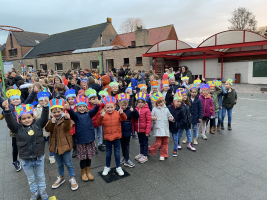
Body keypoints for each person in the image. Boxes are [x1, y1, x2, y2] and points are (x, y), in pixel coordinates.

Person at [3, 98, 50, 200]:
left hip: (38, 158)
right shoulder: (17, 128)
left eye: (29, 117)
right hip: (26, 160)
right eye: (23, 119)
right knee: (31, 178)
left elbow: (44, 118)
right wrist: (6, 110)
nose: (27, 120)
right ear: (19, 120)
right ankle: (34, 193)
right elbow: (10, 123)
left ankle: (42, 191)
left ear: (33, 117)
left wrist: (45, 107)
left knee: (41, 176)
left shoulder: (38, 125)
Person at [0, 85, 38, 171]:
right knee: (15, 146)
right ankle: (15, 161)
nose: (16, 100)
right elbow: (1, 102)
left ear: (20, 100)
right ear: (10, 101)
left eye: (17, 99)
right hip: (14, 131)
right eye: (13, 99)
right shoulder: (8, 107)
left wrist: (34, 92)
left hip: (24, 129)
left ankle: (29, 158)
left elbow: (29, 99)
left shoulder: (23, 106)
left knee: (27, 143)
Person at [64, 95, 100, 182]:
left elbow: (95, 110)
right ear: (77, 107)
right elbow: (72, 113)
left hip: (90, 139)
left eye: (84, 106)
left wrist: (98, 105)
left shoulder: (89, 114)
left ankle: (88, 172)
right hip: (81, 141)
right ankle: (83, 173)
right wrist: (68, 108)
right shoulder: (76, 116)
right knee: (83, 158)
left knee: (89, 157)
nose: (82, 108)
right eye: (80, 106)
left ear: (86, 107)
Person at [45, 99, 78, 191]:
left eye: (59, 111)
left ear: (62, 111)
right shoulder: (51, 120)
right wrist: (52, 122)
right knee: (59, 164)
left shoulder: (66, 118)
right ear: (51, 112)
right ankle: (61, 177)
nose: (57, 114)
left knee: (68, 163)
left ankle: (72, 178)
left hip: (65, 145)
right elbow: (47, 129)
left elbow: (68, 127)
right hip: (55, 146)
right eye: (54, 112)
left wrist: (67, 120)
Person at [97, 96, 127, 176]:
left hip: (116, 137)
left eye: (111, 107)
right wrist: (101, 116)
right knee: (108, 154)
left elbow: (124, 119)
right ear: (105, 107)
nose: (110, 109)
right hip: (107, 138)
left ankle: (118, 167)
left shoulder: (117, 113)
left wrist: (122, 113)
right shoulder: (103, 114)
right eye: (108, 107)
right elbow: (98, 123)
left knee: (117, 153)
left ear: (115, 106)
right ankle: (107, 167)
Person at [116, 93, 139, 167]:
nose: (124, 107)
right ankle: (124, 156)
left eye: (125, 105)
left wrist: (134, 111)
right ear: (119, 104)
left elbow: (136, 116)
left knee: (126, 145)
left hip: (127, 130)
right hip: (120, 130)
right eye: (122, 105)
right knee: (122, 145)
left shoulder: (130, 109)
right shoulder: (117, 110)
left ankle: (127, 159)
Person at [149, 92, 174, 160]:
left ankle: (163, 154)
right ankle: (150, 149)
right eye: (159, 102)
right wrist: (153, 118)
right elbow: (151, 116)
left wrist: (171, 118)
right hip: (158, 128)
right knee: (158, 143)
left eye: (162, 102)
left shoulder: (166, 109)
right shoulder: (154, 109)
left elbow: (169, 115)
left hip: (165, 128)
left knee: (165, 142)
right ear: (156, 103)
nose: (161, 103)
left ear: (164, 101)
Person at [34, 89, 55, 164]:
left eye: (44, 100)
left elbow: (52, 115)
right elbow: (35, 116)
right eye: (41, 101)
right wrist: (44, 118)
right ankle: (42, 156)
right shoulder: (36, 108)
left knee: (51, 144)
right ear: (39, 101)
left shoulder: (50, 107)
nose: (42, 102)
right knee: (41, 145)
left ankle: (51, 156)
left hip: (49, 129)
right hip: (41, 130)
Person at [132, 92, 152, 163]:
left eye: (141, 102)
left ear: (144, 102)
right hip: (138, 130)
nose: (140, 103)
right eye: (138, 102)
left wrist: (147, 131)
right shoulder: (136, 109)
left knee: (145, 142)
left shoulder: (147, 110)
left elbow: (149, 122)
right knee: (140, 142)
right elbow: (134, 120)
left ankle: (145, 155)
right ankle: (141, 153)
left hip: (144, 130)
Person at [86, 88, 105, 153]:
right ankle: (94, 146)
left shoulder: (99, 105)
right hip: (92, 124)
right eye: (93, 99)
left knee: (99, 135)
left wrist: (102, 98)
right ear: (89, 100)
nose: (95, 100)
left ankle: (100, 144)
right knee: (94, 136)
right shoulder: (88, 107)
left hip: (99, 123)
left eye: (96, 99)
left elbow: (103, 103)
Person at [168, 92, 185, 156]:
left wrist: (178, 125)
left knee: (175, 139)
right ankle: (162, 148)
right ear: (174, 101)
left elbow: (183, 119)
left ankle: (175, 150)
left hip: (175, 127)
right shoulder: (169, 107)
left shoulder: (181, 110)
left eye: (180, 102)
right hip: (168, 126)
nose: (179, 103)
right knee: (165, 138)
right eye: (178, 101)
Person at [65, 89, 78, 158]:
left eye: (72, 99)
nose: (71, 101)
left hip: (77, 125)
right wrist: (69, 120)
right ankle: (74, 149)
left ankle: (79, 149)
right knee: (72, 139)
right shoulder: (67, 107)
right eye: (69, 99)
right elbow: (65, 115)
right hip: (70, 126)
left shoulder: (78, 106)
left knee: (78, 137)